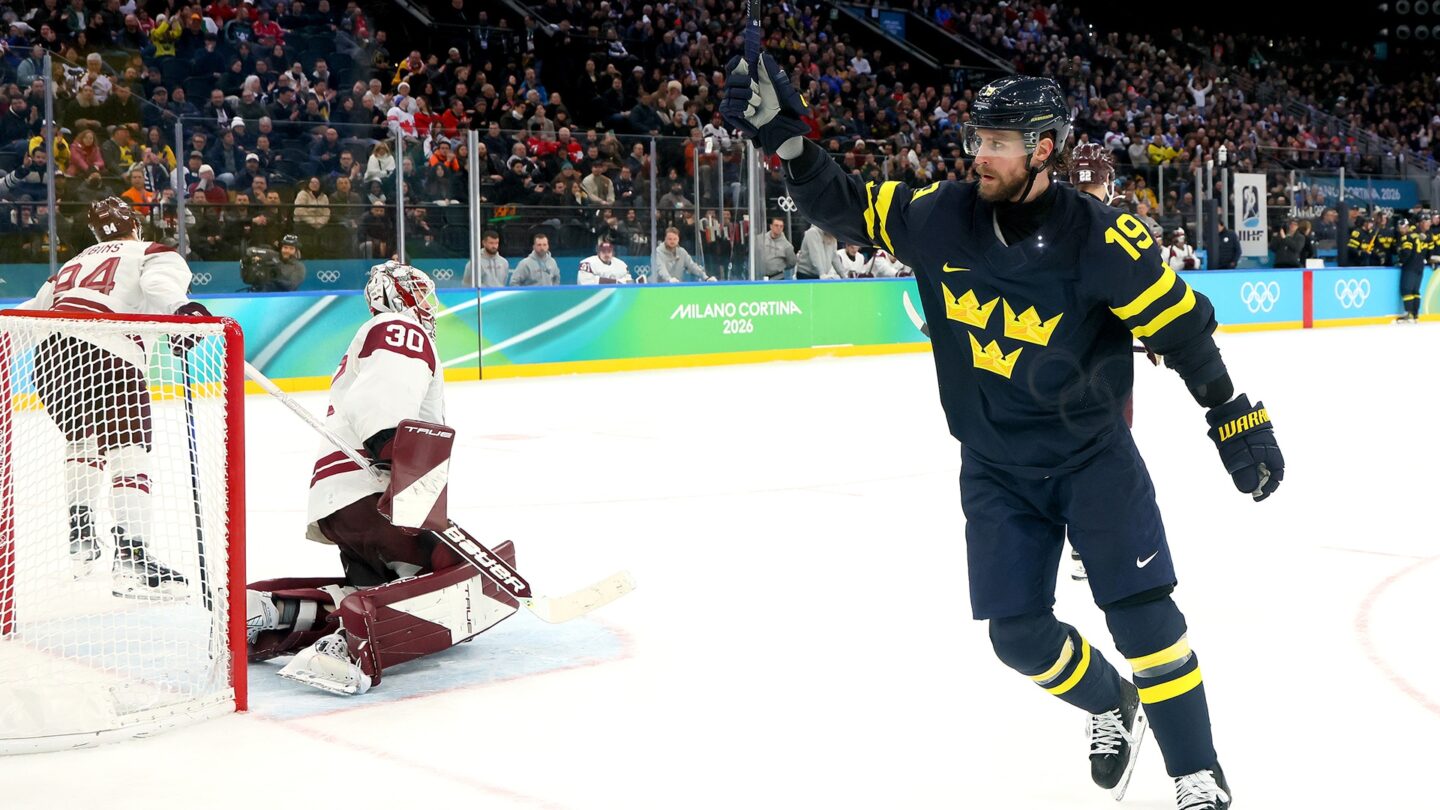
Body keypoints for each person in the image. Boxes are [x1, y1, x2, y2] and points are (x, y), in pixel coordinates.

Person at [724, 61, 1285, 810]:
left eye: (997, 141)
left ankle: (1197, 775)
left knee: (1145, 622)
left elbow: (1182, 333)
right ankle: (1110, 703)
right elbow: (849, 205)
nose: (977, 154)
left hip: (1093, 461)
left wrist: (1232, 417)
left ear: (1046, 149)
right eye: (977, 137)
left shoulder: (1103, 238)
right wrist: (789, 146)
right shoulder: (936, 213)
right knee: (1016, 635)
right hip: (994, 466)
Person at [245, 261, 518, 694]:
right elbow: (381, 400)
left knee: (376, 586)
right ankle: (343, 647)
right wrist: (393, 453)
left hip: (340, 498)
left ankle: (272, 610)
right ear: (399, 295)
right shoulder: (400, 328)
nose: (430, 306)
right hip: (369, 490)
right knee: (441, 576)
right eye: (423, 295)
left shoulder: (382, 334)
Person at [14, 197, 212, 597]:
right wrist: (183, 311)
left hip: (50, 358)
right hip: (109, 351)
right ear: (134, 225)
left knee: (83, 440)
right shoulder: (152, 252)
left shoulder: (70, 266)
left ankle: (82, 534)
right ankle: (132, 557)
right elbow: (158, 287)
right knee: (129, 451)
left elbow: (29, 315)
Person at [1394, 217, 1429, 323]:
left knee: (1406, 289)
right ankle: (1415, 315)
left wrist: (1401, 261)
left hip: (1410, 267)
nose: (1400, 230)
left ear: (1404, 227)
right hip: (1419, 266)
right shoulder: (1416, 235)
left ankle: (1408, 314)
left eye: (1400, 227)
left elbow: (1406, 252)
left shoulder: (1406, 237)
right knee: (1415, 291)